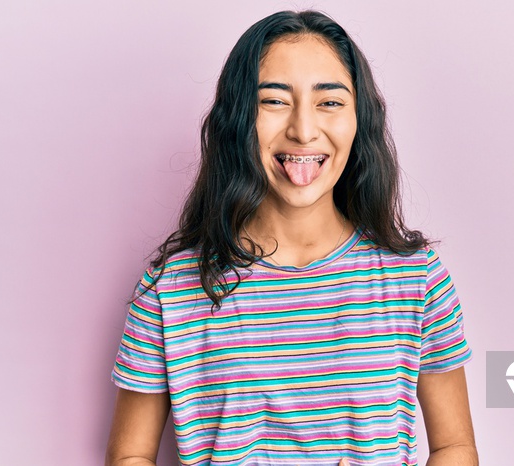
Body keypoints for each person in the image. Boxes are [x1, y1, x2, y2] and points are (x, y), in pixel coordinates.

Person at [106, 10, 477, 466]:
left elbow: (454, 448)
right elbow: (130, 456)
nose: (303, 130)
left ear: (360, 119)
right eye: (275, 101)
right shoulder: (170, 289)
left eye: (330, 102)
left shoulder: (416, 280)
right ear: (238, 119)